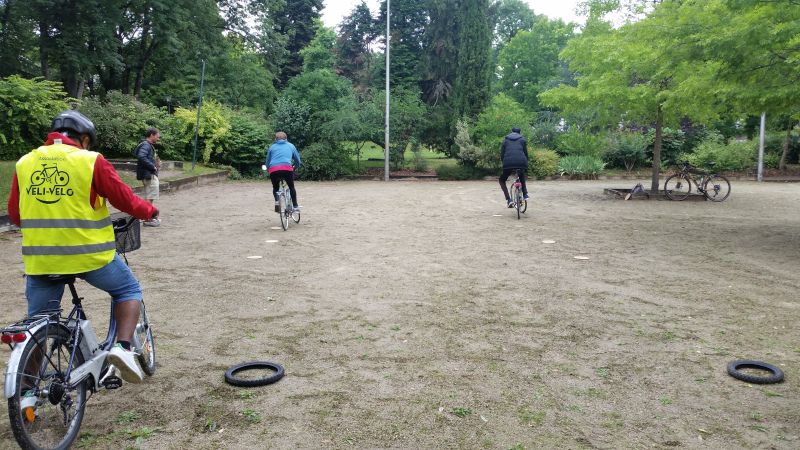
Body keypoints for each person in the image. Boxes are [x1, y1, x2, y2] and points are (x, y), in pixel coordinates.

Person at [7, 110, 159, 385]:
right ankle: (123, 348)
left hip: (41, 260)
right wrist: (150, 211)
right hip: (90, 256)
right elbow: (123, 198)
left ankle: (26, 392)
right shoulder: (90, 161)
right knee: (128, 290)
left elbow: (16, 215)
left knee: (38, 325)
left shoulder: (25, 162)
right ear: (85, 139)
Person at [265, 131, 302, 213]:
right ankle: (295, 207)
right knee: (291, 186)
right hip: (287, 168)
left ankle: (277, 205)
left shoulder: (272, 147)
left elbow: (267, 162)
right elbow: (297, 160)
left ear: (275, 139)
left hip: (274, 169)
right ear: (286, 139)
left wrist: (269, 170)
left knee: (275, 188)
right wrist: (295, 167)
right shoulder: (291, 146)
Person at [499, 126, 530, 207]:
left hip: (508, 164)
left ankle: (509, 200)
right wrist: (525, 163)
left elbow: (502, 155)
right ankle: (525, 194)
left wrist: (504, 164)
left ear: (511, 131)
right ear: (520, 132)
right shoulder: (522, 139)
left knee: (501, 180)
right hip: (521, 162)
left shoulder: (505, 140)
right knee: (522, 174)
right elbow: (526, 153)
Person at [135, 128, 161, 226]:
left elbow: (146, 157)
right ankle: (147, 219)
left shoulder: (146, 145)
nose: (158, 139)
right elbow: (141, 157)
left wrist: (156, 163)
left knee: (149, 197)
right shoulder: (146, 145)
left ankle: (149, 217)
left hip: (148, 174)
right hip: (149, 175)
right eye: (157, 137)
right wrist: (152, 166)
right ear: (151, 135)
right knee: (150, 197)